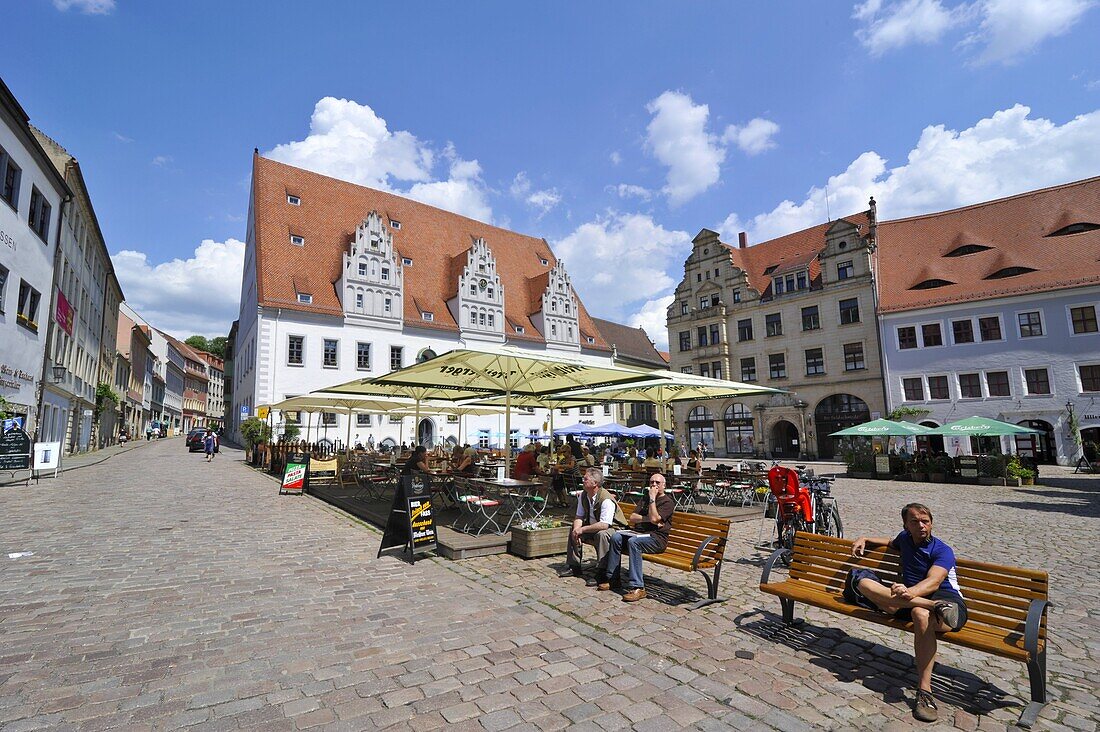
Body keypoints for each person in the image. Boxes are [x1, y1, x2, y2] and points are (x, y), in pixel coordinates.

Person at [846, 503, 968, 723]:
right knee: (863, 583)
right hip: (911, 602)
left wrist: (908, 592)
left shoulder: (942, 550)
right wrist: (865, 538)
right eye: (915, 522)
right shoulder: (905, 539)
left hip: (948, 604)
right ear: (906, 525)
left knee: (921, 614)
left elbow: (934, 582)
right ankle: (929, 607)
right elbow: (890, 542)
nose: (921, 526)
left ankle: (924, 691)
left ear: (931, 523)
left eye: (926, 521)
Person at [598, 473, 675, 602]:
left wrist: (652, 500)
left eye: (657, 483)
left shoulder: (667, 502)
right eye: (651, 482)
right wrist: (649, 519)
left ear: (664, 485)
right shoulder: (645, 498)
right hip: (639, 534)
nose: (654, 485)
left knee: (634, 542)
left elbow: (655, 518)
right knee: (616, 537)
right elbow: (633, 517)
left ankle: (638, 587)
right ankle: (613, 579)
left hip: (656, 539)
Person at [559, 468, 628, 584]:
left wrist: (582, 529)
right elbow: (579, 516)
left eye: (586, 479)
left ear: (595, 483)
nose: (583, 480)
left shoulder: (606, 499)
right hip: (594, 526)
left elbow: (604, 525)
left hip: (615, 529)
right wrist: (577, 530)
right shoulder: (584, 495)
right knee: (573, 528)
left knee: (602, 534)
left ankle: (602, 571)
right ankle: (574, 565)